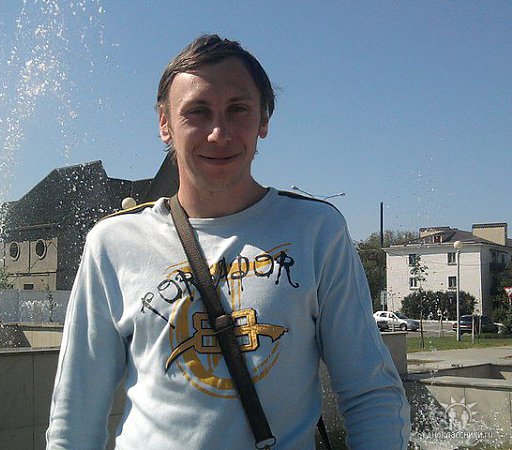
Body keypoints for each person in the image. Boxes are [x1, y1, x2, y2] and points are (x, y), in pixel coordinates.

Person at [46, 34, 410, 449]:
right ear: (165, 124)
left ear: (263, 121)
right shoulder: (113, 242)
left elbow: (371, 393)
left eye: (238, 109)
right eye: (197, 112)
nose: (219, 133)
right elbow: (75, 417)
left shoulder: (316, 231)